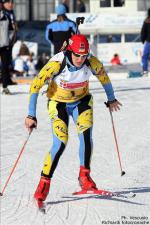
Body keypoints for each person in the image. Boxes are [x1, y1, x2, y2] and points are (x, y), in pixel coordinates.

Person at [25, 34, 122, 205]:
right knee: (60, 142)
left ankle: (84, 177)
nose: (80, 59)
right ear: (70, 51)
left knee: (85, 136)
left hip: (81, 102)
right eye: (77, 55)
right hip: (58, 103)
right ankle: (43, 185)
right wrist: (31, 115)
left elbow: (104, 78)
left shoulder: (91, 62)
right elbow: (35, 85)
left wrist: (111, 98)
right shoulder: (56, 63)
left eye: (84, 55)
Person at [0, 0, 17, 94]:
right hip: (5, 43)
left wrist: (9, 41)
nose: (11, 4)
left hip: (6, 44)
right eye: (8, 2)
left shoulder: (9, 14)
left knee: (5, 65)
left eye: (12, 2)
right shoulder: (5, 14)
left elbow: (12, 30)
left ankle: (5, 86)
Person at [141, 8, 150, 76]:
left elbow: (143, 31)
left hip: (148, 41)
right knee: (145, 56)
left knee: (145, 56)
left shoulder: (147, 20)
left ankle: (145, 71)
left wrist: (142, 40)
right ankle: (145, 70)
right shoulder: (147, 20)